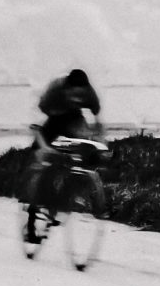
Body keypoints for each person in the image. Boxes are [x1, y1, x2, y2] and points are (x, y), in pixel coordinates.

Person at [24, 68, 104, 240]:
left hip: (74, 120)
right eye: (73, 95)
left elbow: (98, 121)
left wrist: (99, 141)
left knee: (81, 152)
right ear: (66, 89)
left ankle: (65, 195)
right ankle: (33, 210)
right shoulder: (53, 92)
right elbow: (36, 123)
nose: (76, 98)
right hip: (52, 120)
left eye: (80, 95)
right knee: (42, 156)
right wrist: (44, 147)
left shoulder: (89, 93)